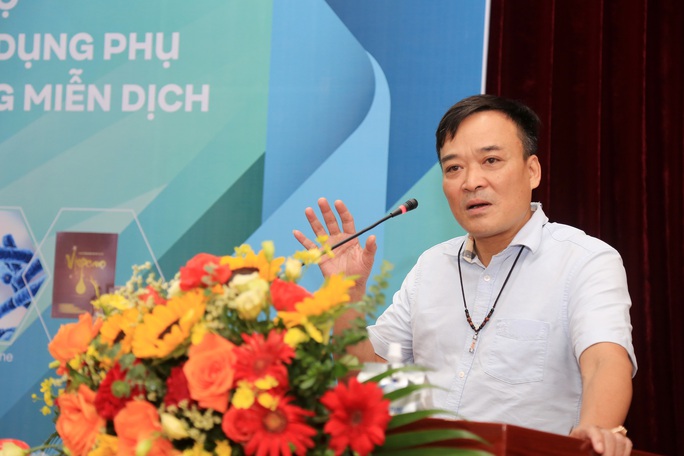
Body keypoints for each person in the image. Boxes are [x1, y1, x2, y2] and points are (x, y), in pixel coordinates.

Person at [294, 94, 637, 455]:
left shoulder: (584, 260)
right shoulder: (431, 266)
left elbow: (604, 360)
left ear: (532, 170)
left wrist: (597, 432)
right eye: (454, 168)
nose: (471, 182)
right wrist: (346, 296)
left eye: (491, 160)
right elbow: (370, 380)